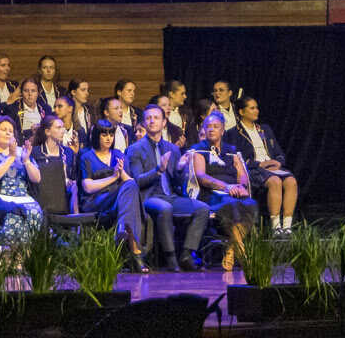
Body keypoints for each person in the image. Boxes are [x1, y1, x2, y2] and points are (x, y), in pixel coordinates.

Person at [127, 103, 207, 270]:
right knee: (164, 208)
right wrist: (158, 170)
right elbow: (137, 181)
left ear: (164, 122)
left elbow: (178, 184)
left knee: (202, 208)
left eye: (156, 118)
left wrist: (179, 169)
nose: (152, 121)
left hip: (171, 196)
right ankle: (171, 259)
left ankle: (186, 254)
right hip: (149, 197)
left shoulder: (172, 148)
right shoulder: (135, 149)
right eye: (148, 118)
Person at [188, 112, 256, 275]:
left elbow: (242, 174)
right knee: (233, 204)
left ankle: (232, 249)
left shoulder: (231, 151)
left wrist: (241, 186)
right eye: (208, 127)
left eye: (215, 127)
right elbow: (201, 177)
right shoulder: (199, 150)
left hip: (233, 193)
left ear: (223, 130)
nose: (211, 129)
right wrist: (226, 187)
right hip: (211, 194)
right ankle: (242, 250)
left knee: (251, 205)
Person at [77, 119, 149, 269]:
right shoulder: (86, 156)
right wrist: (113, 177)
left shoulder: (118, 154)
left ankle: (124, 231)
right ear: (97, 136)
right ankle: (135, 253)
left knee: (130, 185)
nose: (109, 138)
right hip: (96, 200)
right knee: (130, 201)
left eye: (111, 134)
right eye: (104, 135)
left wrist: (121, 173)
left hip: (117, 199)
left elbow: (131, 183)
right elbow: (88, 187)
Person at [231, 95, 298, 234]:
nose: (256, 111)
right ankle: (276, 227)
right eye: (252, 108)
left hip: (273, 168)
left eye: (257, 108)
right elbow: (238, 158)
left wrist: (277, 162)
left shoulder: (265, 129)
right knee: (274, 181)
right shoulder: (234, 133)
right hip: (254, 169)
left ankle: (287, 226)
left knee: (291, 181)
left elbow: (279, 153)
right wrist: (260, 164)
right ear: (242, 112)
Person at [0, 116, 45, 246]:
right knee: (13, 213)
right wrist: (11, 157)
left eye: (11, 130)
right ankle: (8, 255)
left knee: (35, 211)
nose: (8, 132)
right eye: (4, 129)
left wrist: (26, 161)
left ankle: (27, 255)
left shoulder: (22, 152)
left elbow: (37, 178)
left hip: (23, 196)